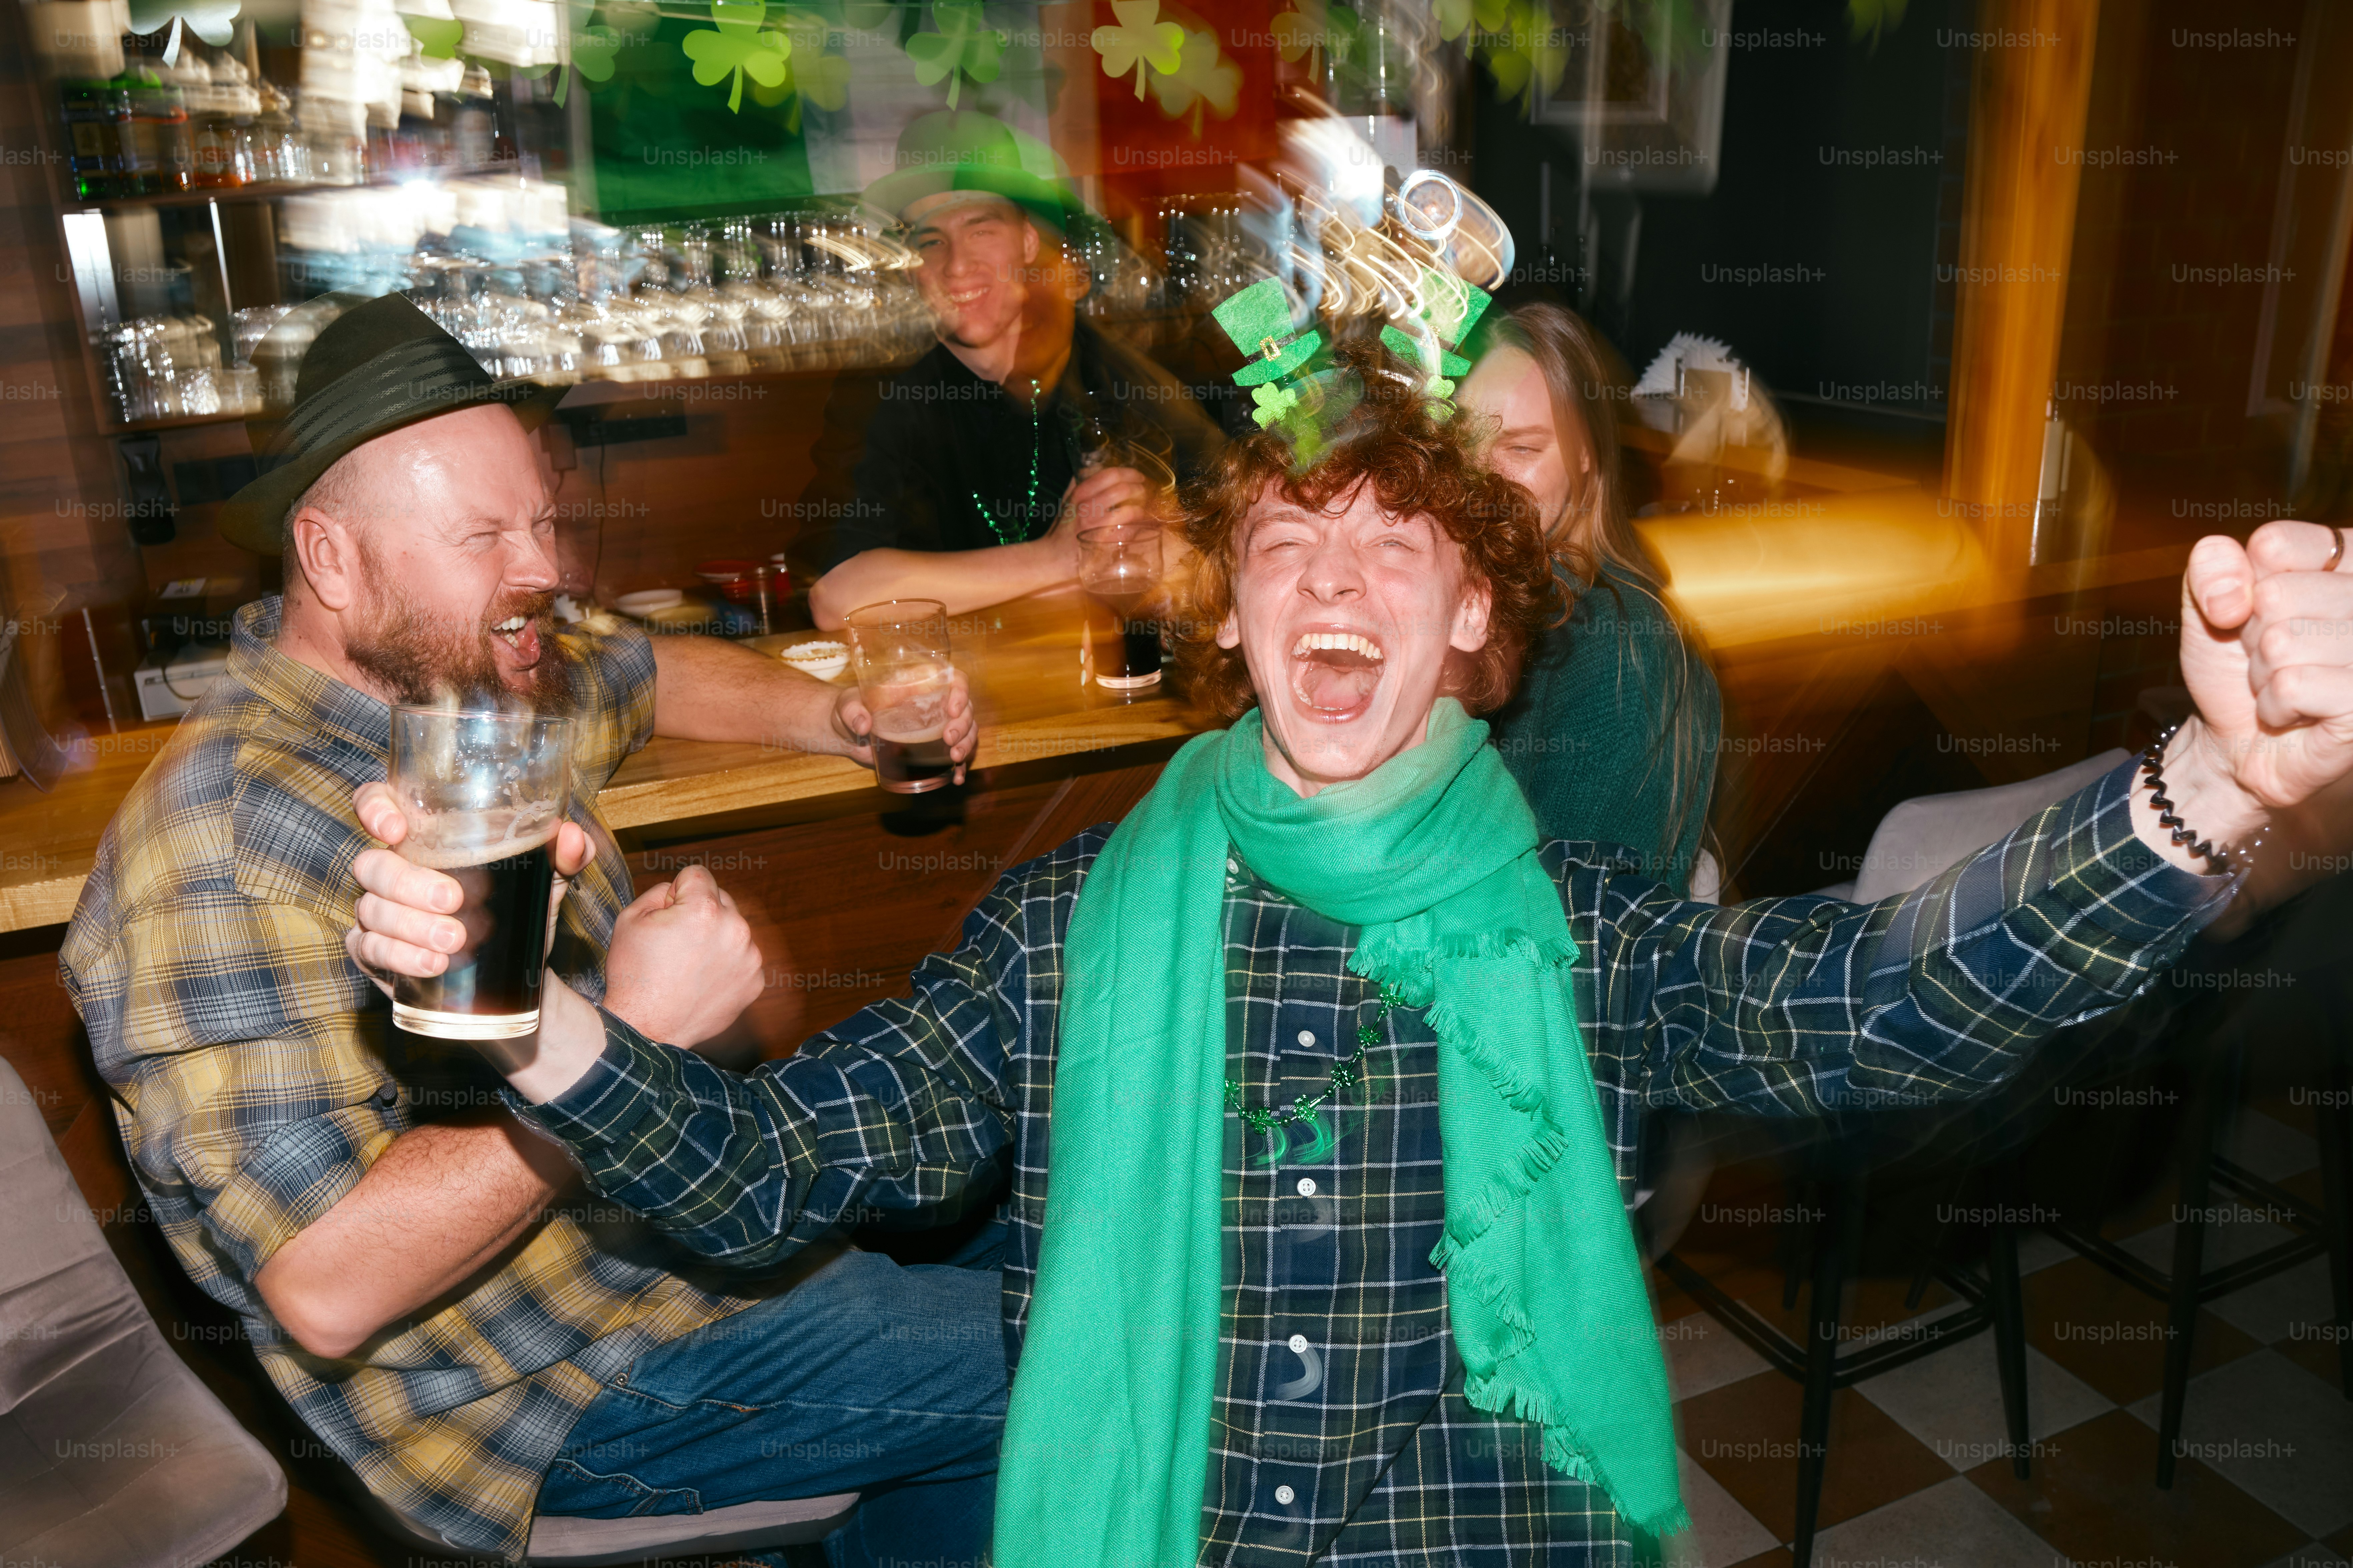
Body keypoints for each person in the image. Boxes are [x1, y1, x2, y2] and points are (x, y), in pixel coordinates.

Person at [346, 349, 2353, 1563]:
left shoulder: (1572, 928)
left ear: (1473, 619)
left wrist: (2201, 792)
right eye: (1288, 541)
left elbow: (1865, 1001)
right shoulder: (1062, 924)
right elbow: (778, 1166)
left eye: (1397, 543)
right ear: (1232, 612)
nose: (1334, 576)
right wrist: (542, 1033)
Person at [58, 292, 999, 1566]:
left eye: (544, 520)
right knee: (1097, 1348)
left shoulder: (471, 681)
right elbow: (325, 1287)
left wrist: (837, 721)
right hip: (552, 1390)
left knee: (1060, 1223)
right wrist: (633, 1028)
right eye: (485, 532)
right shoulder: (222, 849)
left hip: (686, 1234)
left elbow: (641, 667)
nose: (543, 566)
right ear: (331, 558)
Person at [797, 111, 1221, 625]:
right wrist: (1059, 557)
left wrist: (1167, 523)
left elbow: (1231, 529)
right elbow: (835, 597)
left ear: (1028, 244)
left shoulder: (1113, 371)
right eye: (931, 241)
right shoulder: (880, 392)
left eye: (981, 231)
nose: (956, 266)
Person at [1461, 302, 1722, 895]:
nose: (1481, 478)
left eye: (1521, 450)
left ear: (1586, 454)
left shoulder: (1616, 642)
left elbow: (1565, 910)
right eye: (1465, 445)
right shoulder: (1492, 606)